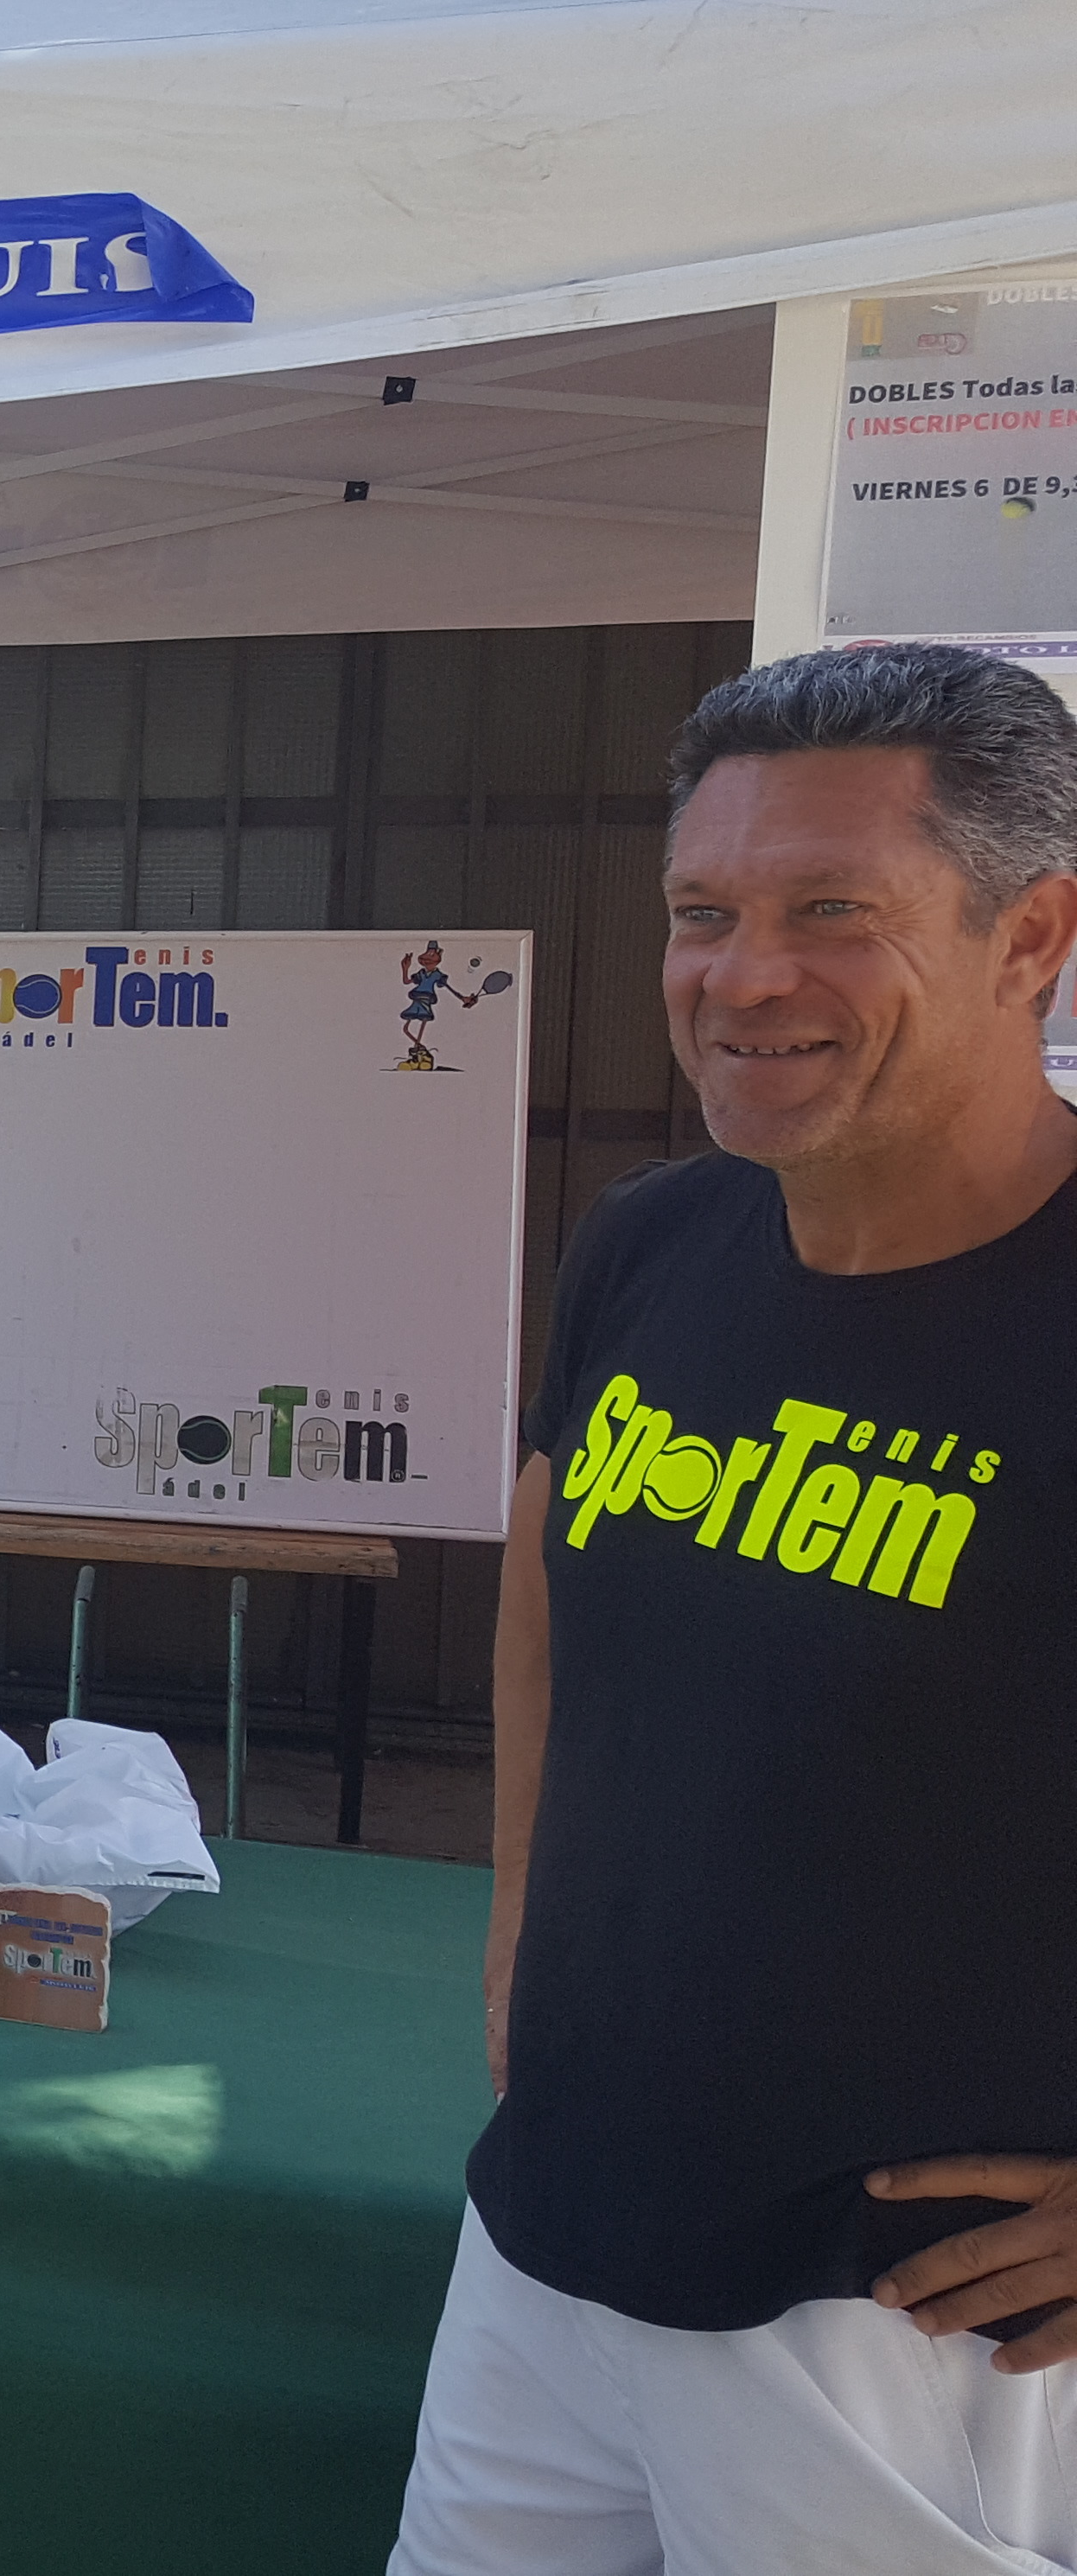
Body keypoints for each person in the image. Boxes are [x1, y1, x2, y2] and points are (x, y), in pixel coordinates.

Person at [396, 646, 1077, 2573]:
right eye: (703, 914)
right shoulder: (653, 1241)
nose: (742, 976)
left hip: (915, 2320)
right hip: (555, 2227)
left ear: (1034, 937)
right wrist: (522, 1920)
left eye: (831, 913)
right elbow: (551, 1578)